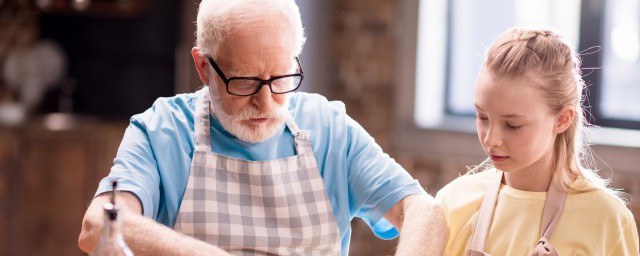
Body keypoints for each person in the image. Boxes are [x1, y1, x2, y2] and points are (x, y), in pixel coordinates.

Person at [78, 0, 448, 255]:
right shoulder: (162, 132)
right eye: (245, 82)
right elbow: (99, 227)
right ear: (204, 67)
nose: (267, 103)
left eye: (282, 77)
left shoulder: (330, 129)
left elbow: (422, 212)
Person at [435, 27, 639, 255]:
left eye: (512, 125)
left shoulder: (606, 219)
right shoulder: (452, 203)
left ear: (562, 119)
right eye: (482, 117)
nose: (491, 140)